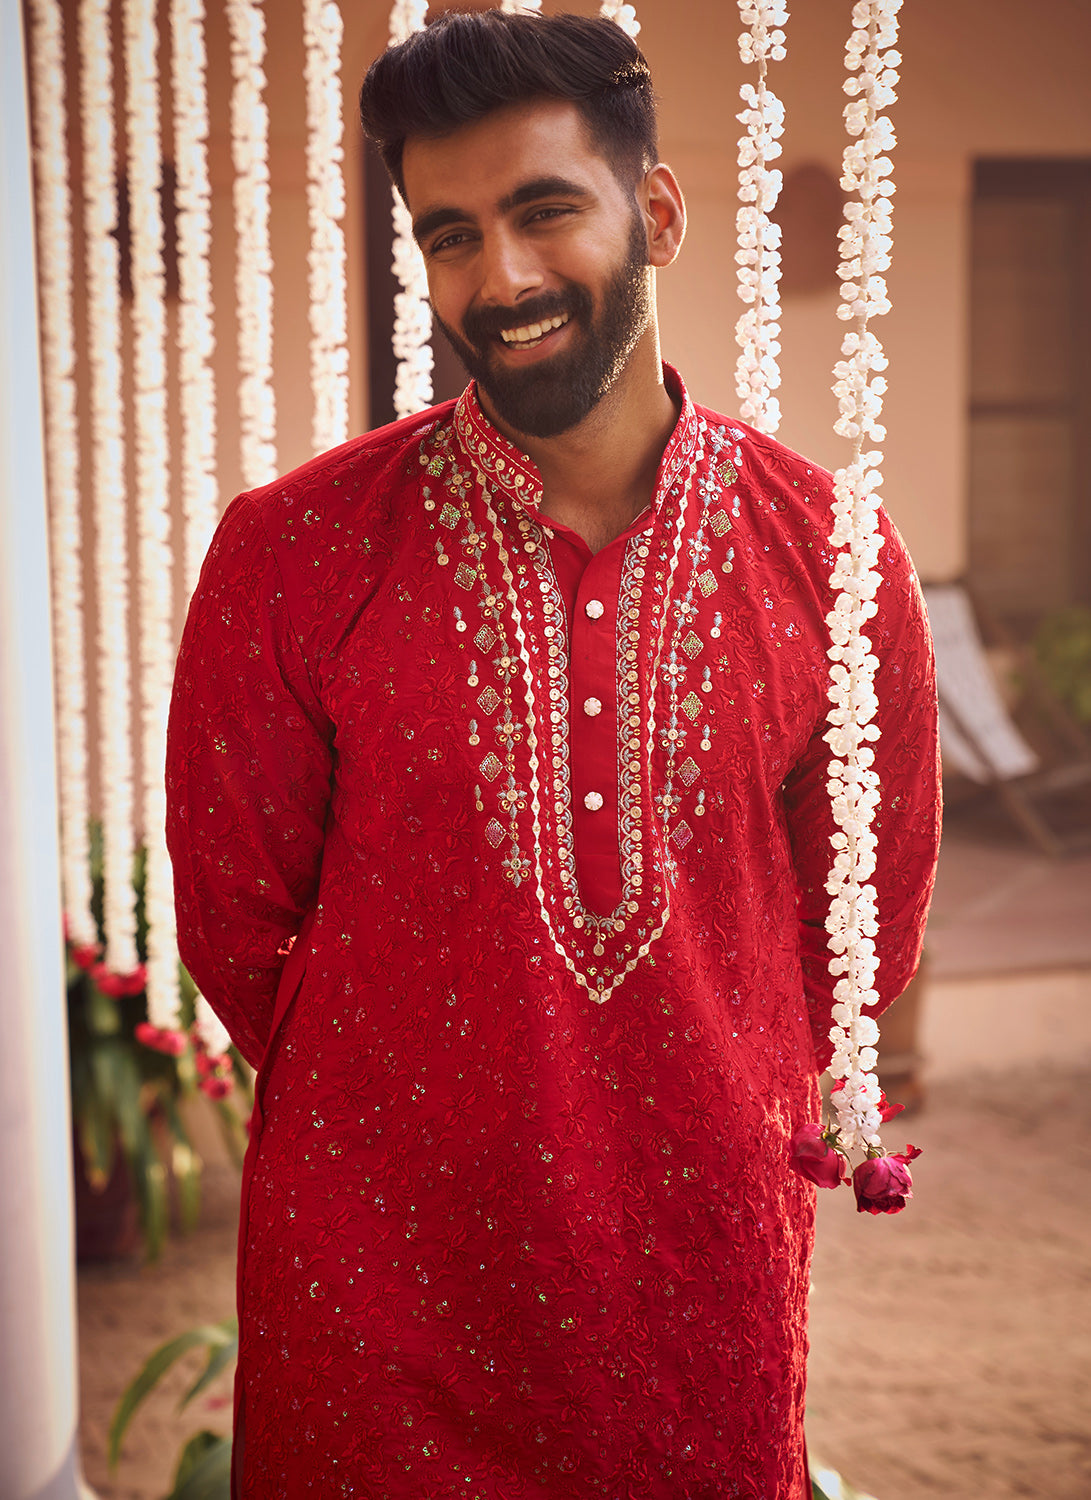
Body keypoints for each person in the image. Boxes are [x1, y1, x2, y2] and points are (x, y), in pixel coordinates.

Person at [166, 11, 941, 1498]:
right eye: (449, 235)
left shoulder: (831, 559)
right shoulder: (296, 553)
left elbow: (860, 933)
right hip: (373, 1301)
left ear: (654, 212)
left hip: (696, 1294)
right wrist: (420, 1104)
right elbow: (236, 926)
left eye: (544, 212)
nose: (500, 280)